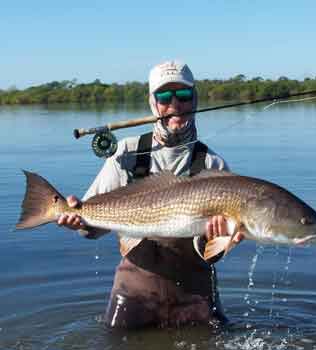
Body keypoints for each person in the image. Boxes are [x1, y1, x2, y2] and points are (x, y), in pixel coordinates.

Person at [58, 61, 243, 328]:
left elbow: (216, 253)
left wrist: (217, 240)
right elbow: (91, 230)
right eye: (165, 97)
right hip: (135, 291)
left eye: (183, 96)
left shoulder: (214, 166)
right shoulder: (126, 154)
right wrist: (78, 221)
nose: (175, 105)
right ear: (152, 102)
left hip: (196, 294)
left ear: (195, 99)